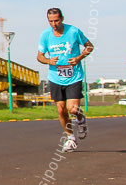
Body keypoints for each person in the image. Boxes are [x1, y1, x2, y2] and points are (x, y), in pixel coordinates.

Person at [37, 8, 94, 152]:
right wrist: (49, 61)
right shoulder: (45, 35)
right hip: (56, 77)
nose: (54, 24)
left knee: (72, 109)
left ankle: (81, 119)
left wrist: (78, 58)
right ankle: (71, 139)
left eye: (56, 20)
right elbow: (40, 56)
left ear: (62, 18)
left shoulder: (73, 32)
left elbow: (89, 46)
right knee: (61, 110)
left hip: (74, 76)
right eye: (51, 21)